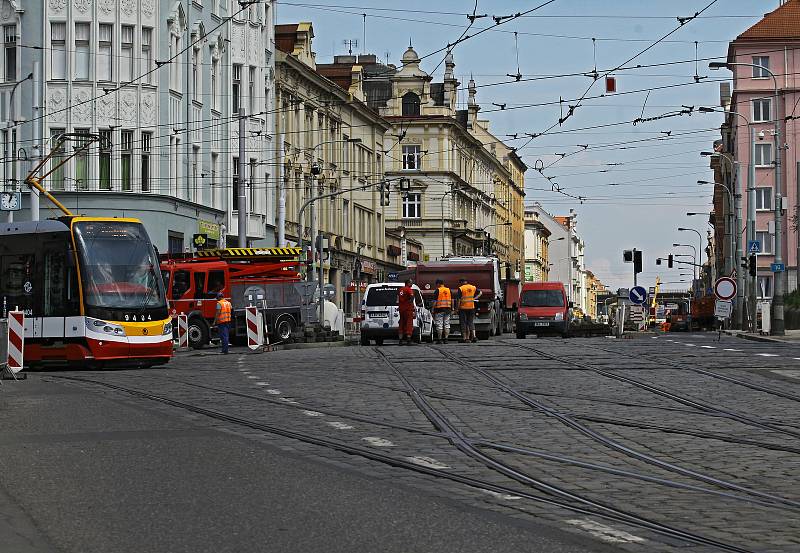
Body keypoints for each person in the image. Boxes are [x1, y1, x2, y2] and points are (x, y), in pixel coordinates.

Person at [457, 277, 482, 343]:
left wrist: (457, 308)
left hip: (463, 308)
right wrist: (474, 298)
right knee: (470, 322)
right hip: (471, 307)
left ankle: (465, 338)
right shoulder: (473, 287)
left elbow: (459, 300)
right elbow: (480, 293)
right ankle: (474, 336)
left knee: (463, 323)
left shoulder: (461, 288)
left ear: (461, 282)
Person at [431, 279, 452, 344]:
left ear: (438, 284)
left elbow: (435, 301)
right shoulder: (449, 290)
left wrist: (432, 309)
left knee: (439, 324)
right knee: (447, 324)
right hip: (448, 309)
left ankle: (439, 339)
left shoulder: (438, 290)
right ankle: (446, 339)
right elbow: (452, 300)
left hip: (439, 309)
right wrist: (452, 308)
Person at [397, 279, 416, 345]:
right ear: (408, 283)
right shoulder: (409, 289)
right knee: (409, 324)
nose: (412, 284)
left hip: (401, 310)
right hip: (408, 309)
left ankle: (400, 340)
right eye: (411, 283)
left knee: (401, 324)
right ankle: (408, 340)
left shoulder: (400, 290)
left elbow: (398, 299)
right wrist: (411, 302)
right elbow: (412, 296)